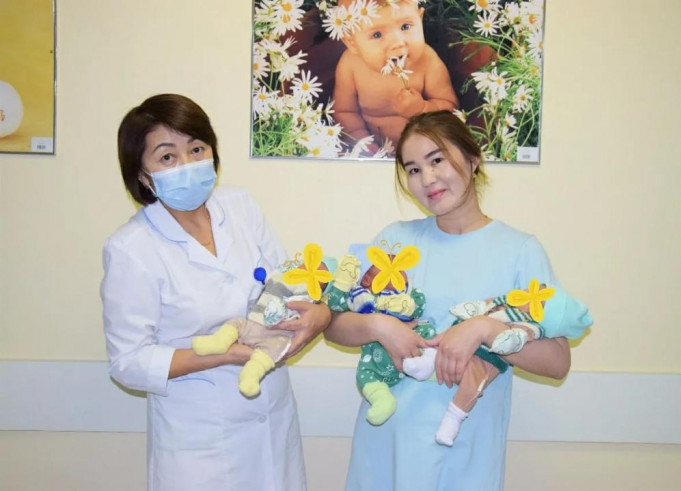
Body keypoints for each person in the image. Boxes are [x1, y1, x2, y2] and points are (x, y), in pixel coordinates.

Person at [324, 110, 574, 490]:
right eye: (413, 169)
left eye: (437, 160)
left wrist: (484, 330)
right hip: (385, 449)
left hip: (464, 456)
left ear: (473, 159)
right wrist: (379, 326)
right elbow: (334, 325)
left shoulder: (519, 251)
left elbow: (557, 361)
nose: (427, 179)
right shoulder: (396, 241)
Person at [101, 94, 331, 491]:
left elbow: (284, 283)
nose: (187, 164)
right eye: (167, 156)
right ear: (143, 175)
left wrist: (319, 314)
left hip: (272, 423)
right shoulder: (131, 249)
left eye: (196, 149)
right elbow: (128, 362)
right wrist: (221, 355)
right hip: (199, 443)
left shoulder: (240, 207)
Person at [332, 0, 458, 154]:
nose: (397, 43)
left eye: (405, 27)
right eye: (377, 35)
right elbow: (344, 111)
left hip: (425, 152)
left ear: (420, 19)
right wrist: (360, 140)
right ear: (352, 42)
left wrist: (422, 109)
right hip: (375, 154)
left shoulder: (428, 61)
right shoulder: (350, 65)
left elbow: (451, 108)